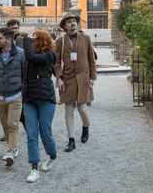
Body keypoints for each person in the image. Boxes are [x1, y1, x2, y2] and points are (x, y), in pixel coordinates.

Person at [54, 13, 97, 153]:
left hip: (84, 79)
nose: (73, 24)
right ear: (65, 26)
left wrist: (92, 77)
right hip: (68, 79)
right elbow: (56, 63)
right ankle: (71, 140)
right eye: (69, 22)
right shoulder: (60, 42)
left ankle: (86, 127)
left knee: (83, 109)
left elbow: (92, 59)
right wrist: (59, 78)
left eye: (74, 21)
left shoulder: (86, 38)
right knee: (68, 111)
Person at [0, 27, 25, 167]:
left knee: (13, 124)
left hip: (15, 95)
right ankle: (13, 148)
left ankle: (11, 151)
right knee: (5, 125)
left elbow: (25, 74)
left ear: (8, 39)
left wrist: (23, 92)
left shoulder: (21, 54)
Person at [22, 31, 57, 183]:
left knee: (45, 132)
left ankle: (53, 155)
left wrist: (26, 39)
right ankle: (34, 169)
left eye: (35, 38)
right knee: (31, 134)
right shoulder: (31, 57)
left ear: (42, 40)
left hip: (45, 98)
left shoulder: (49, 55)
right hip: (29, 98)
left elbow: (31, 56)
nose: (32, 40)